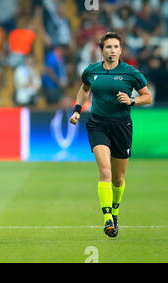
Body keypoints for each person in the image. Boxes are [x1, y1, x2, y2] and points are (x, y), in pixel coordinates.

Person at [69, 32, 152, 238]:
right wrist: (77, 110)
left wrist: (132, 101)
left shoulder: (130, 73)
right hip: (98, 124)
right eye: (108, 47)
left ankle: (115, 213)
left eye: (116, 47)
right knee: (105, 172)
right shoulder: (91, 71)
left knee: (118, 178)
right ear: (102, 50)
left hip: (122, 126)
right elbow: (84, 89)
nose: (112, 50)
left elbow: (147, 97)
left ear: (120, 50)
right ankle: (107, 218)